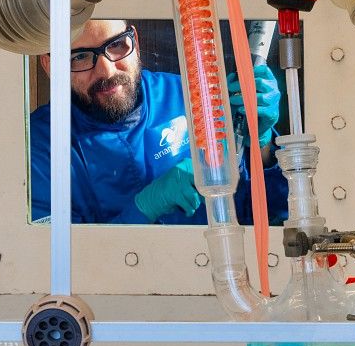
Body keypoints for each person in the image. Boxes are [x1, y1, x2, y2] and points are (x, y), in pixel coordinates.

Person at [30, 19, 288, 224]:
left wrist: (262, 147)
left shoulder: (193, 97)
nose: (107, 70)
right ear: (50, 65)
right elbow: (57, 262)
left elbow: (269, 213)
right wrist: (144, 208)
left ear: (135, 41)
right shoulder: (39, 146)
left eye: (117, 45)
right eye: (79, 57)